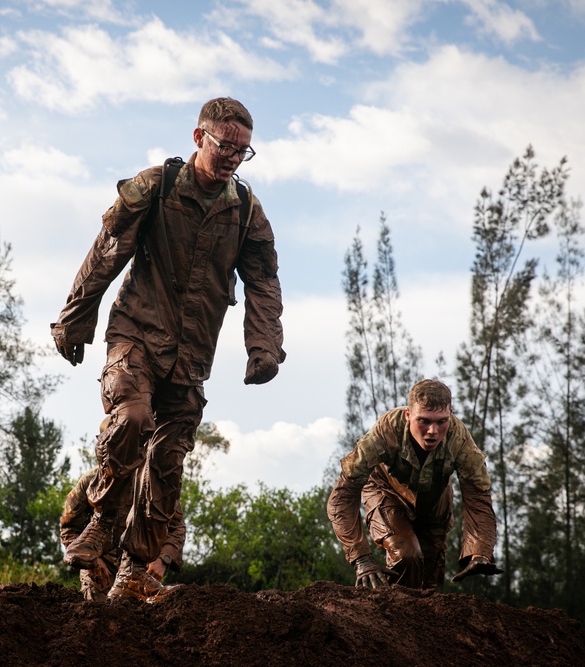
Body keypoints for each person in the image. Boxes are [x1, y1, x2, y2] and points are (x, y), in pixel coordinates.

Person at [51, 97, 285, 601]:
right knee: (132, 418)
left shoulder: (245, 210)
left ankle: (136, 570)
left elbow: (264, 280)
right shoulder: (154, 187)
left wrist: (264, 344)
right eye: (225, 146)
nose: (232, 159)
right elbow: (107, 250)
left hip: (192, 356)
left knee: (168, 463)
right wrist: (75, 317)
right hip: (136, 333)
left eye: (244, 152)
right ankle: (101, 521)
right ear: (199, 137)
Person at [326, 379, 503, 589]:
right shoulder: (385, 432)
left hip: (435, 498)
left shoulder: (461, 441)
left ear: (451, 415)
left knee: (430, 577)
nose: (433, 431)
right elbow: (343, 496)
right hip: (386, 490)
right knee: (406, 555)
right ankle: (392, 615)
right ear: (408, 415)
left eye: (441, 421)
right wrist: (361, 558)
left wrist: (480, 552)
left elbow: (479, 499)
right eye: (424, 421)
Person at [60, 466, 186, 603]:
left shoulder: (155, 484)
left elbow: (177, 528)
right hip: (102, 569)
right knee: (94, 613)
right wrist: (91, 561)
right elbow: (69, 528)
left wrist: (163, 560)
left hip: (140, 568)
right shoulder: (92, 480)